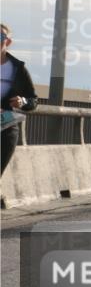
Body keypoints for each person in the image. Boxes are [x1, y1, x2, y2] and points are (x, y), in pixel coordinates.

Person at [1, 23, 38, 175]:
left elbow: (33, 101)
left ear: (7, 42)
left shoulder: (18, 69)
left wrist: (22, 102)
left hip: (6, 130)